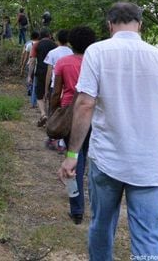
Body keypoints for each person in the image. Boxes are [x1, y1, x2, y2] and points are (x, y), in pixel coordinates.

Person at [58, 2, 158, 260]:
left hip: (107, 159)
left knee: (102, 225)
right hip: (149, 162)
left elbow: (85, 104)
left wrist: (72, 155)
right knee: (148, 237)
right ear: (140, 25)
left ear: (110, 25)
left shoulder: (97, 52)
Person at [50, 26, 96, 224]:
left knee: (74, 159)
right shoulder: (96, 62)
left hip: (71, 114)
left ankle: (76, 209)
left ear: (71, 42)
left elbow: (56, 91)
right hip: (96, 113)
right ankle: (97, 206)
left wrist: (53, 113)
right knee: (94, 161)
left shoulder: (63, 62)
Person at [43, 29, 73, 151]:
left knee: (54, 112)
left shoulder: (53, 52)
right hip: (69, 87)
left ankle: (53, 138)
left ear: (58, 40)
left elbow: (49, 72)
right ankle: (62, 142)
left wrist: (46, 89)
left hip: (56, 85)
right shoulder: (72, 52)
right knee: (66, 114)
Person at [28, 28, 56, 126]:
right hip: (53, 73)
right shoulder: (55, 45)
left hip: (40, 71)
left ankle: (43, 114)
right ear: (49, 35)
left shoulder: (36, 45)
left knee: (39, 94)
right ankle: (50, 115)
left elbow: (32, 61)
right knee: (50, 93)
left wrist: (29, 75)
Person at [20, 31, 40, 108]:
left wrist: (23, 64)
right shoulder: (40, 44)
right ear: (38, 36)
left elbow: (26, 55)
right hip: (38, 64)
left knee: (29, 77)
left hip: (30, 63)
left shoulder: (29, 45)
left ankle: (29, 90)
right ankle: (33, 92)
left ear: (31, 37)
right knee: (34, 78)